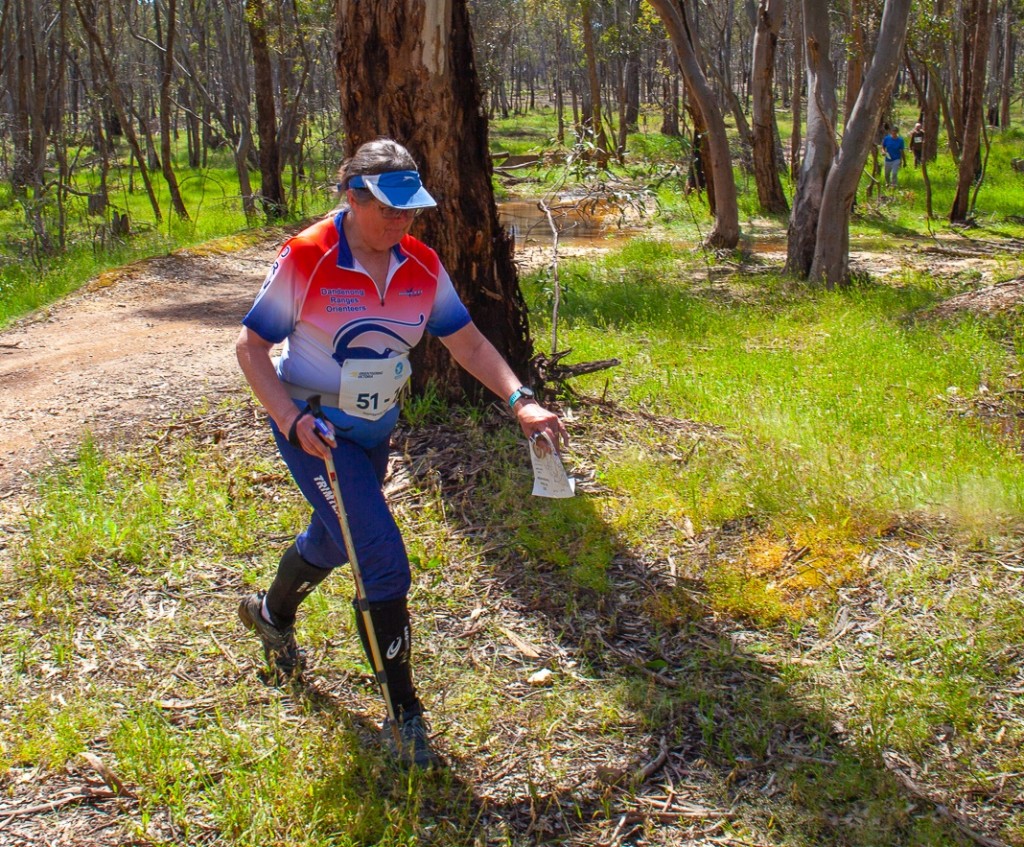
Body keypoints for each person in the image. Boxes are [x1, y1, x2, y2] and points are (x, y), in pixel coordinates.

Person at [235, 137, 568, 768]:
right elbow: (251, 348)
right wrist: (288, 418)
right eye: (388, 209)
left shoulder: (420, 263)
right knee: (380, 557)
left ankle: (270, 615)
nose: (401, 221)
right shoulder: (308, 257)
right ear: (353, 197)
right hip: (317, 432)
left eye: (410, 209)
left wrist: (520, 398)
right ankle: (405, 717)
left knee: (338, 540)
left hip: (376, 427)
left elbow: (465, 341)